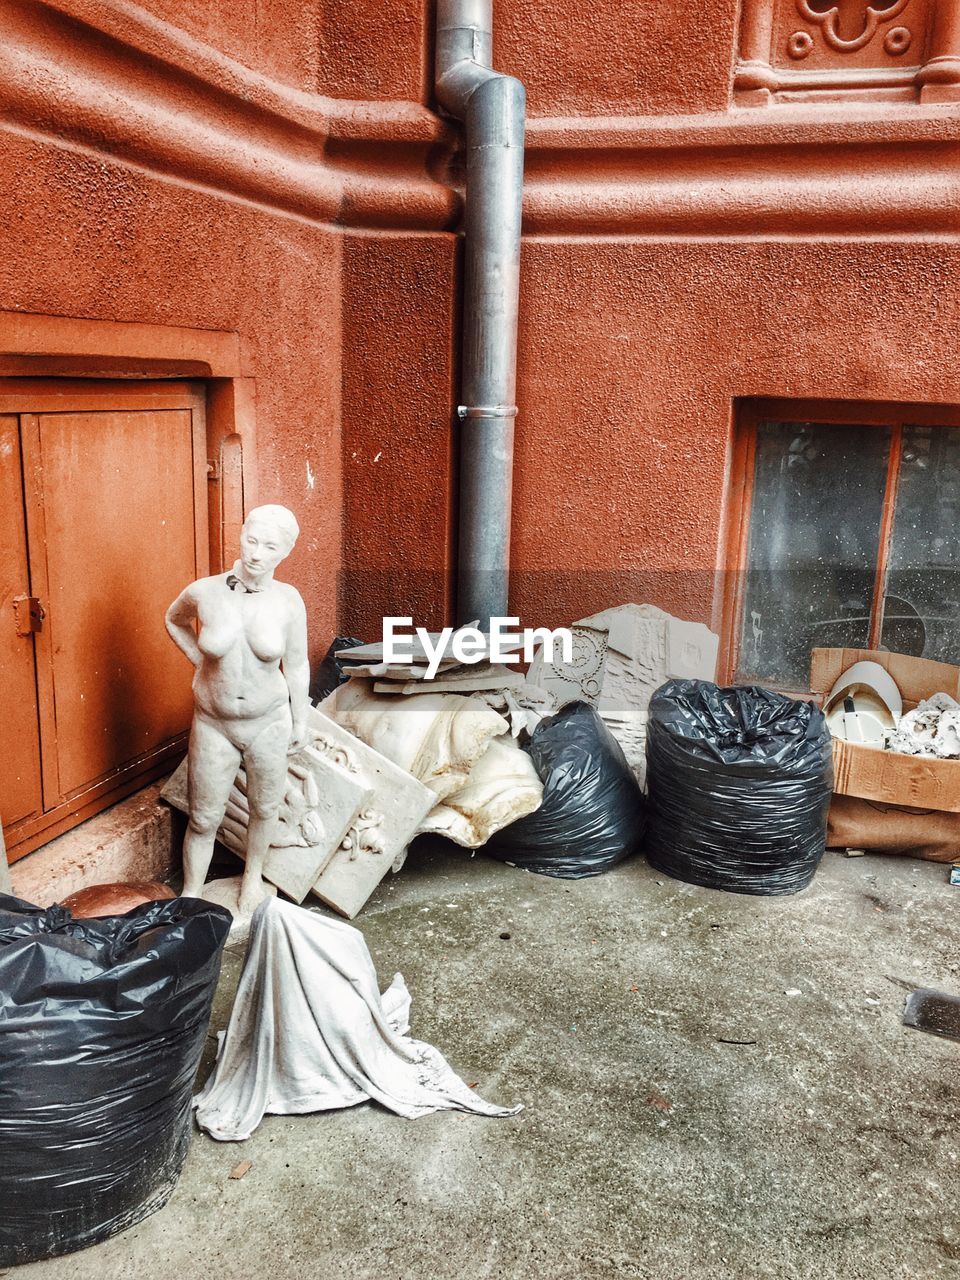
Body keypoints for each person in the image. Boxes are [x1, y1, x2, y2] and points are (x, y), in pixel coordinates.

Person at [165, 504, 309, 917]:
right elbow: (173, 620)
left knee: (265, 808)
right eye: (252, 539)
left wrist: (301, 719)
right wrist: (201, 663)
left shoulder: (288, 601)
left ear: (285, 553)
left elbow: (296, 665)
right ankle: (190, 895)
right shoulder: (204, 592)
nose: (257, 553)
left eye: (270, 546)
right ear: (241, 534)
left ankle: (253, 878)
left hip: (269, 721)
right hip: (214, 722)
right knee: (204, 816)